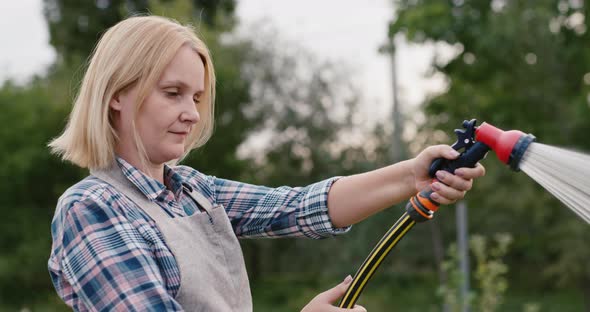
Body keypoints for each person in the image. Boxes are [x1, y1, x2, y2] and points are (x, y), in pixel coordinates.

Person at [47, 15, 485, 312]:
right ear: (117, 95)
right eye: (173, 93)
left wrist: (413, 174)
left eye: (197, 97)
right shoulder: (92, 209)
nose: (192, 114)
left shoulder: (193, 192)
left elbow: (296, 207)